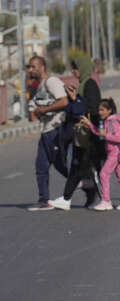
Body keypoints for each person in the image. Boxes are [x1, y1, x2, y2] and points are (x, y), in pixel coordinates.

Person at [49, 55, 103, 210]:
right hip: (83, 133)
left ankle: (67, 198)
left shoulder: (90, 85)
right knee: (83, 167)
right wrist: (75, 99)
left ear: (83, 69)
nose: (73, 71)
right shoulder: (83, 84)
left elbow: (92, 108)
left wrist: (76, 101)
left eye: (75, 68)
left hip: (88, 133)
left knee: (79, 165)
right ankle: (94, 195)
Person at [26, 56, 69, 211]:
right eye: (29, 67)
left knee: (61, 166)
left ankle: (87, 185)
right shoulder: (40, 86)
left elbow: (64, 101)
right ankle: (44, 199)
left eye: (32, 67)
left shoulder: (51, 82)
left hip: (55, 130)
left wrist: (43, 110)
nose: (30, 70)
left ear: (41, 67)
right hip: (46, 131)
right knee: (41, 167)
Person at [80, 98, 120, 211]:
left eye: (102, 110)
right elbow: (100, 133)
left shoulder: (113, 122)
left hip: (115, 152)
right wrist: (90, 124)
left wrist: (106, 135)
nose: (100, 112)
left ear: (109, 110)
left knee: (104, 174)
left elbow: (118, 138)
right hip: (113, 152)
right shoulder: (107, 122)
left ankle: (106, 201)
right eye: (99, 110)